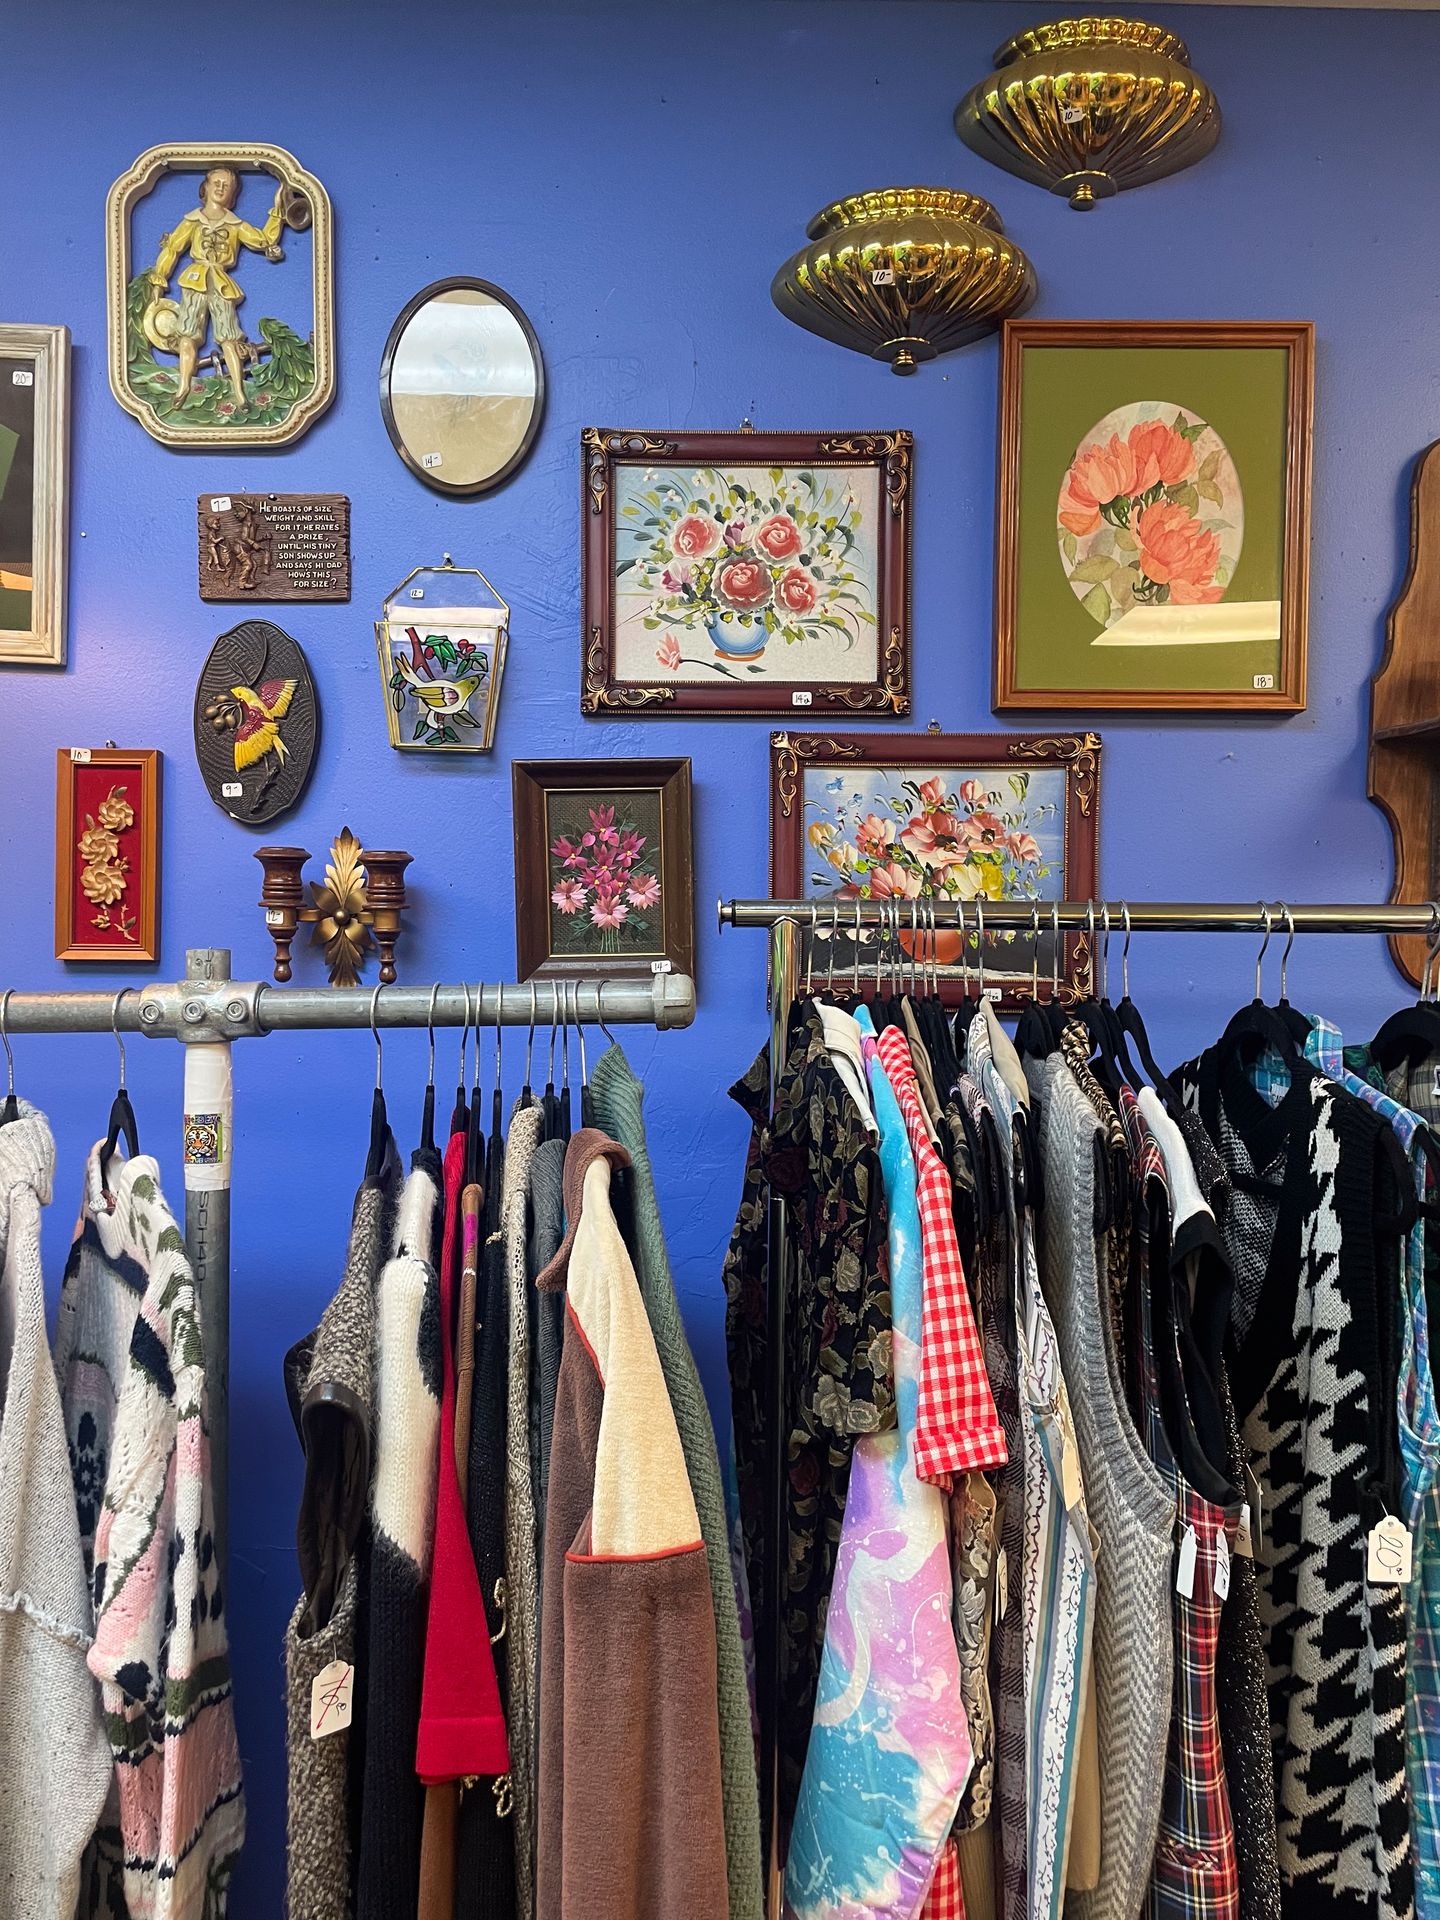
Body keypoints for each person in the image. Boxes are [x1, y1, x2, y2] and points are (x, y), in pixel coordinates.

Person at [148, 166, 286, 413]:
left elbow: (263, 239)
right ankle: (183, 387)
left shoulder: (235, 224)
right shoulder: (192, 220)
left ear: (233, 193)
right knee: (188, 337)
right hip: (194, 280)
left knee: (229, 339)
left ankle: (239, 392)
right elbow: (173, 249)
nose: (221, 188)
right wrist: (159, 278)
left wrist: (278, 211)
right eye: (217, 183)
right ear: (206, 187)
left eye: (227, 185)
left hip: (222, 284)